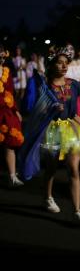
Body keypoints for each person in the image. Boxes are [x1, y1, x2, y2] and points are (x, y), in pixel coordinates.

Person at [19, 48, 80, 223]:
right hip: (52, 130)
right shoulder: (46, 85)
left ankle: (77, 210)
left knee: (73, 168)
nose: (64, 66)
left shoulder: (73, 83)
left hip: (72, 128)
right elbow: (38, 108)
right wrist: (51, 109)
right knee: (51, 168)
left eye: (66, 63)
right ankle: (48, 197)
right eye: (60, 62)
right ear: (52, 65)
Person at [0, 45, 24, 186]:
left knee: (10, 142)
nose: (2, 57)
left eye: (3, 55)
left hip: (6, 111)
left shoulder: (6, 71)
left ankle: (12, 176)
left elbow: (10, 93)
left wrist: (16, 110)